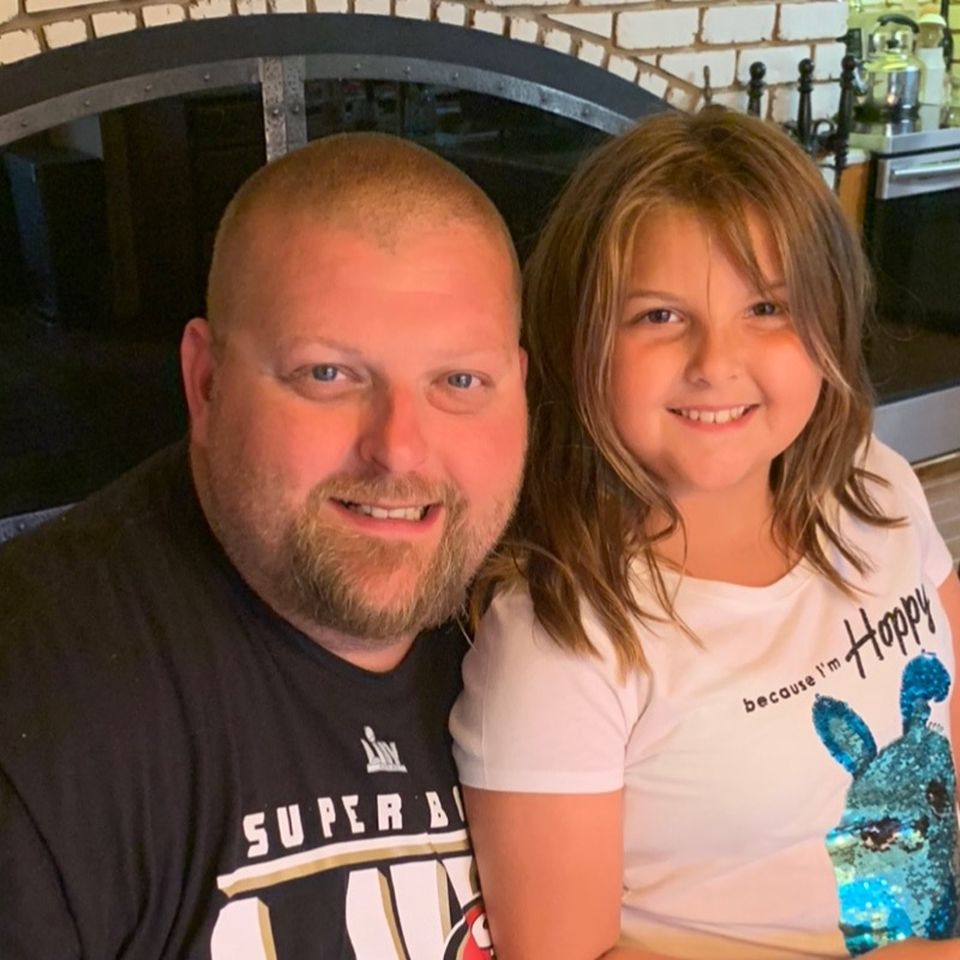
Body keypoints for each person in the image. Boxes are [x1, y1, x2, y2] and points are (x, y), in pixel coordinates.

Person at [0, 132, 527, 959]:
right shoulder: (38, 705)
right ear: (206, 385)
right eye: (327, 375)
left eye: (459, 381)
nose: (399, 451)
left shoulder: (566, 620)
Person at [450, 108, 960, 960]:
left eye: (766, 306)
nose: (716, 362)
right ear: (577, 342)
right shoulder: (561, 640)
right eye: (659, 316)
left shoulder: (876, 486)